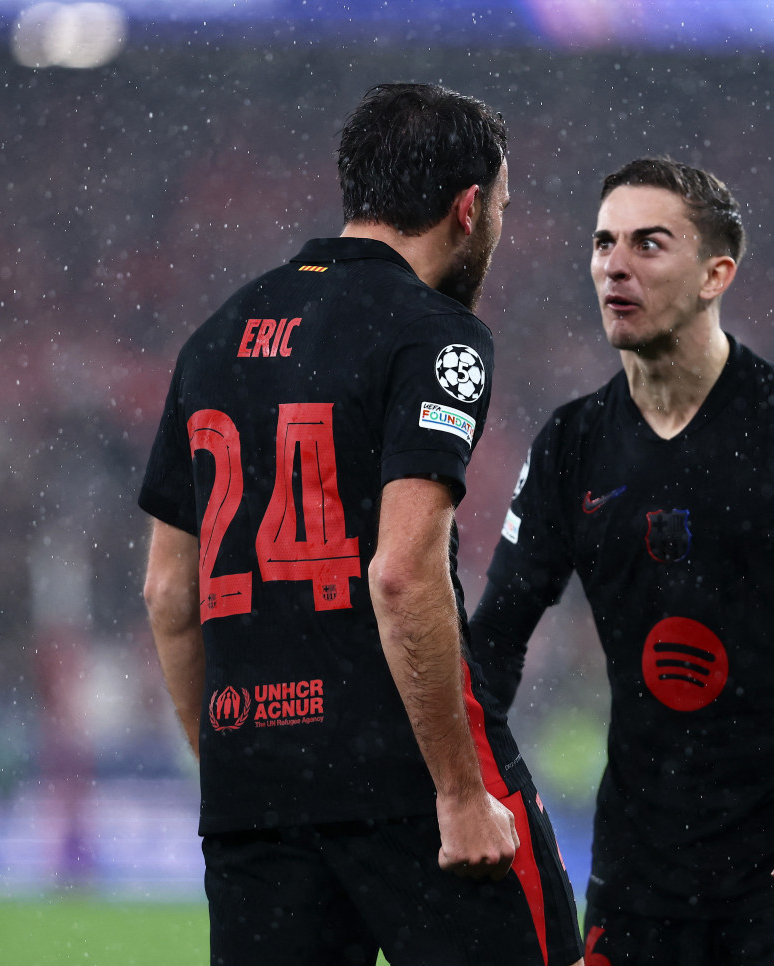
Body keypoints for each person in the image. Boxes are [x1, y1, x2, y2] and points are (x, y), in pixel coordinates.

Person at [139, 82, 584, 966]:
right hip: (404, 776)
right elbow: (400, 573)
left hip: (254, 791)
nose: (497, 225)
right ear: (467, 209)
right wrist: (458, 790)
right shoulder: (435, 335)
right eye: (500, 206)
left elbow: (168, 593)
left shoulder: (213, 338)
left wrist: (238, 770)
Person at [469, 157, 774, 965]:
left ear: (715, 274)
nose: (614, 264)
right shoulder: (571, 446)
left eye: (648, 244)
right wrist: (471, 791)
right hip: (637, 887)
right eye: (603, 242)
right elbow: (493, 647)